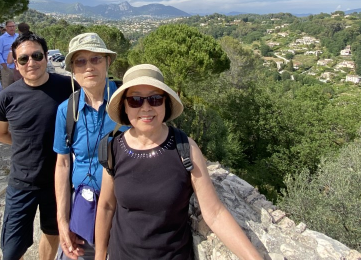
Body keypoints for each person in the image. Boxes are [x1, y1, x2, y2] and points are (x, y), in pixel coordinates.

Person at [95, 64, 264, 260]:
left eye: (155, 98)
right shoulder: (113, 149)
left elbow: (215, 213)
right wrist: (99, 255)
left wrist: (254, 258)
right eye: (135, 100)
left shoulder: (185, 149)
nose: (146, 107)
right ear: (125, 106)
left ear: (165, 103)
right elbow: (106, 206)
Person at [0, 33, 77, 260]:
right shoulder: (7, 97)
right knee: (11, 249)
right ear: (16, 63)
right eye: (23, 59)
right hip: (21, 183)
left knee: (52, 233)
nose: (31, 62)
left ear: (46, 57)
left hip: (58, 182)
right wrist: (25, 143)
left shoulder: (69, 88)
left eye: (37, 55)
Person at [53, 33, 120, 260]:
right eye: (80, 61)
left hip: (121, 208)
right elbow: (62, 164)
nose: (88, 67)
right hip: (82, 203)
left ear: (107, 62)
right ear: (72, 69)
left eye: (96, 59)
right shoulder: (66, 110)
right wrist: (63, 222)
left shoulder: (128, 103)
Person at [0, 20, 19, 88]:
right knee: (7, 88)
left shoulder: (18, 37)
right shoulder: (1, 39)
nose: (12, 28)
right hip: (8, 68)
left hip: (19, 68)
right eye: (10, 26)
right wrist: (5, 66)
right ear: (6, 27)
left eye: (13, 26)